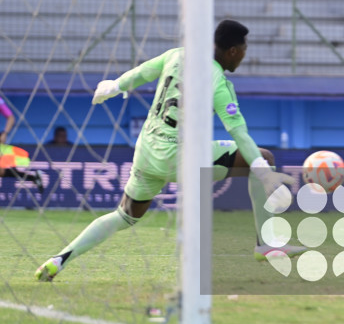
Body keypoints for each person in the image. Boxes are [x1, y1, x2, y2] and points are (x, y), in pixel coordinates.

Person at [35, 20, 303, 281]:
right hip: (181, 156)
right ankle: (267, 244)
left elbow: (141, 73)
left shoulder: (176, 55)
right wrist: (263, 172)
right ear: (233, 51)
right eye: (244, 51)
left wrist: (113, 86)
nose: (243, 57)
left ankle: (60, 259)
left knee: (124, 215)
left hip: (147, 151)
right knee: (264, 157)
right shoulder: (218, 83)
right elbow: (238, 132)